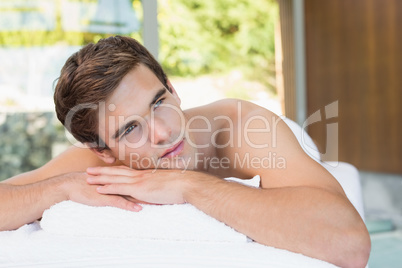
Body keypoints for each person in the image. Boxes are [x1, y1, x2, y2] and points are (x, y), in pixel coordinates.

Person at [0, 36, 370, 267]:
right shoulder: (94, 162)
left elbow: (350, 244)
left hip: (293, 146)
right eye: (130, 129)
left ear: (172, 88)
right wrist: (59, 188)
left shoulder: (242, 128)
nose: (162, 132)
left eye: (158, 102)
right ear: (104, 152)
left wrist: (188, 185)